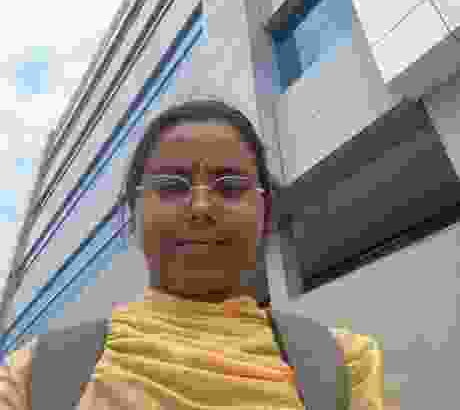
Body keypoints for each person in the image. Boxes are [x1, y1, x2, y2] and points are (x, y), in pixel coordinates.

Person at [0, 98, 388, 409]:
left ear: (264, 211)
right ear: (132, 215)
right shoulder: (34, 376)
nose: (201, 207)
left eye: (230, 187)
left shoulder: (344, 366)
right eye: (171, 186)